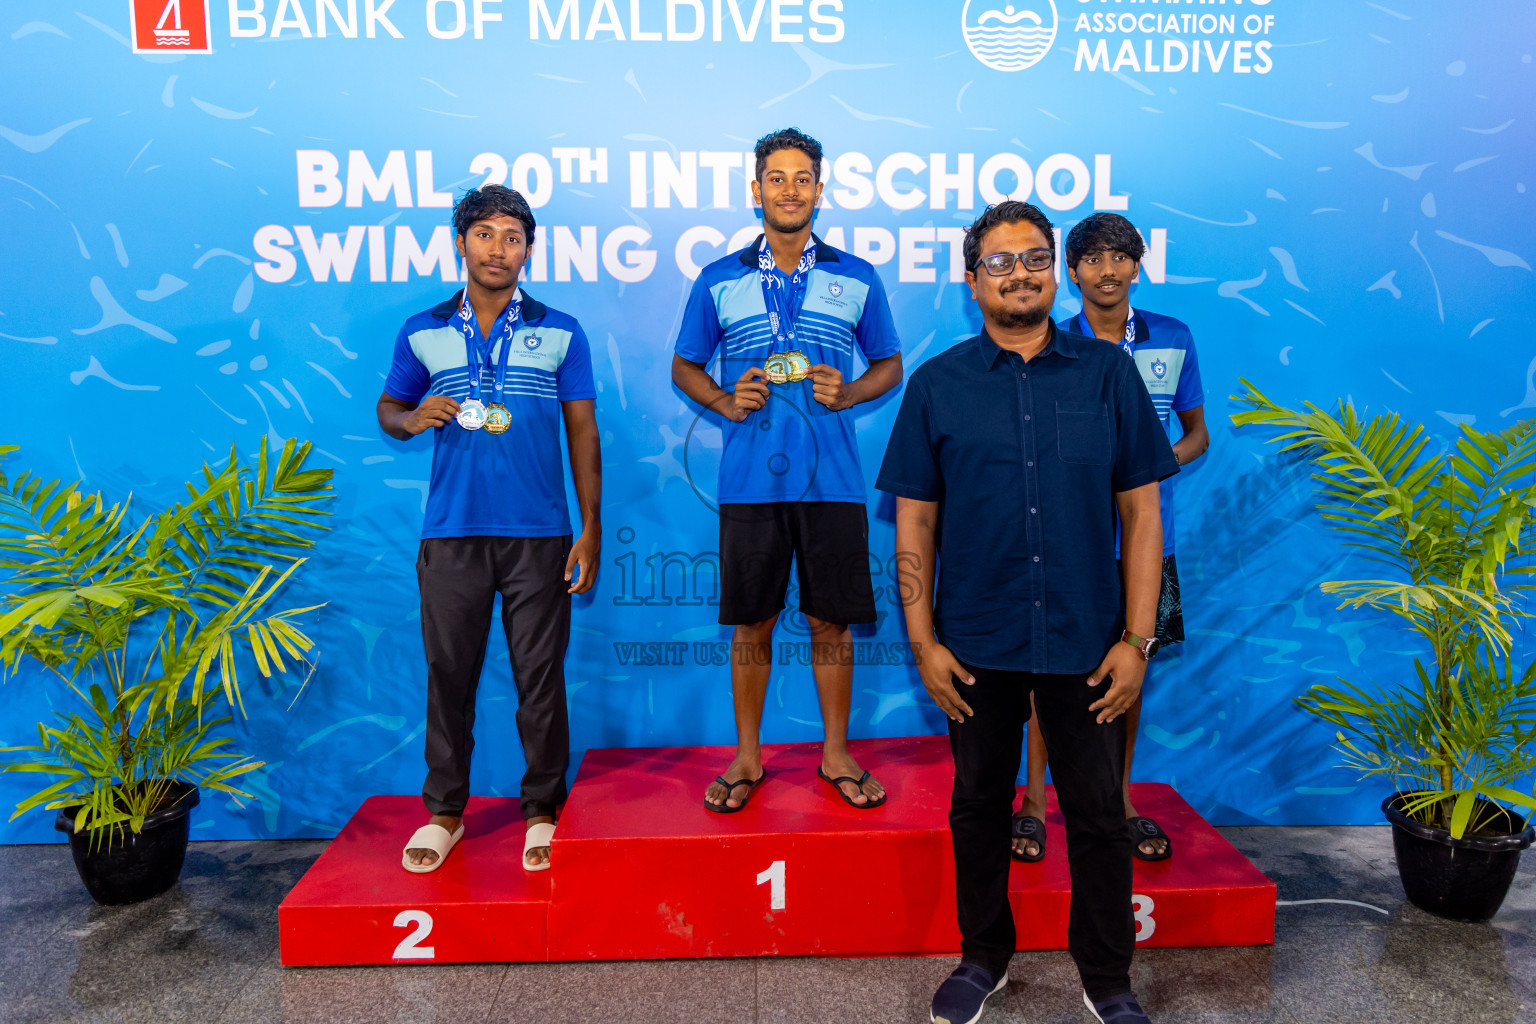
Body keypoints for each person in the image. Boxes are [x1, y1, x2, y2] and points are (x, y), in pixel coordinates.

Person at [877, 201, 1177, 1024]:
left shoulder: (1110, 375)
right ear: (973, 279)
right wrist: (923, 640)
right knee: (978, 806)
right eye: (1001, 262)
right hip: (976, 641)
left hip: (1089, 639)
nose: (1021, 273)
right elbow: (915, 521)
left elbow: (1142, 514)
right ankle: (984, 957)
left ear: (1056, 269)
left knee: (1098, 813)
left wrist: (1137, 640)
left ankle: (1108, 978)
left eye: (1035, 258)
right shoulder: (938, 385)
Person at [671, 127, 904, 812]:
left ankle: (835, 754)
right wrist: (721, 398)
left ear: (819, 189)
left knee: (832, 622)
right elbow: (684, 364)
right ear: (756, 190)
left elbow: (889, 364)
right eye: (777, 177)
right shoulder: (719, 278)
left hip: (833, 481)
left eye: (803, 178)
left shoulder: (856, 276)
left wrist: (851, 391)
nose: (790, 189)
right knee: (754, 623)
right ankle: (747, 758)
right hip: (748, 482)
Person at [376, 184, 601, 874]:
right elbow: (389, 406)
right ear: (460, 241)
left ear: (528, 249)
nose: (497, 248)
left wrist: (589, 529)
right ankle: (446, 811)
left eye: (512, 236)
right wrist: (411, 419)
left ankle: (543, 811)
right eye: (484, 234)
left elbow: (583, 433)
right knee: (450, 674)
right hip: (451, 534)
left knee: (540, 678)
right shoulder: (422, 329)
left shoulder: (561, 330)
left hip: (540, 534)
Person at [1012, 212, 1209, 864]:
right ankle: (1036, 803)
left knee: (1130, 671)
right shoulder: (1051, 343)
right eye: (1093, 259)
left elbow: (1195, 435)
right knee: (1046, 673)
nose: (1108, 270)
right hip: (1070, 544)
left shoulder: (1173, 337)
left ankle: (1118, 798)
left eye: (1120, 257)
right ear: (1072, 272)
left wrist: (1138, 476)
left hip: (1150, 545)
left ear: (1138, 265)